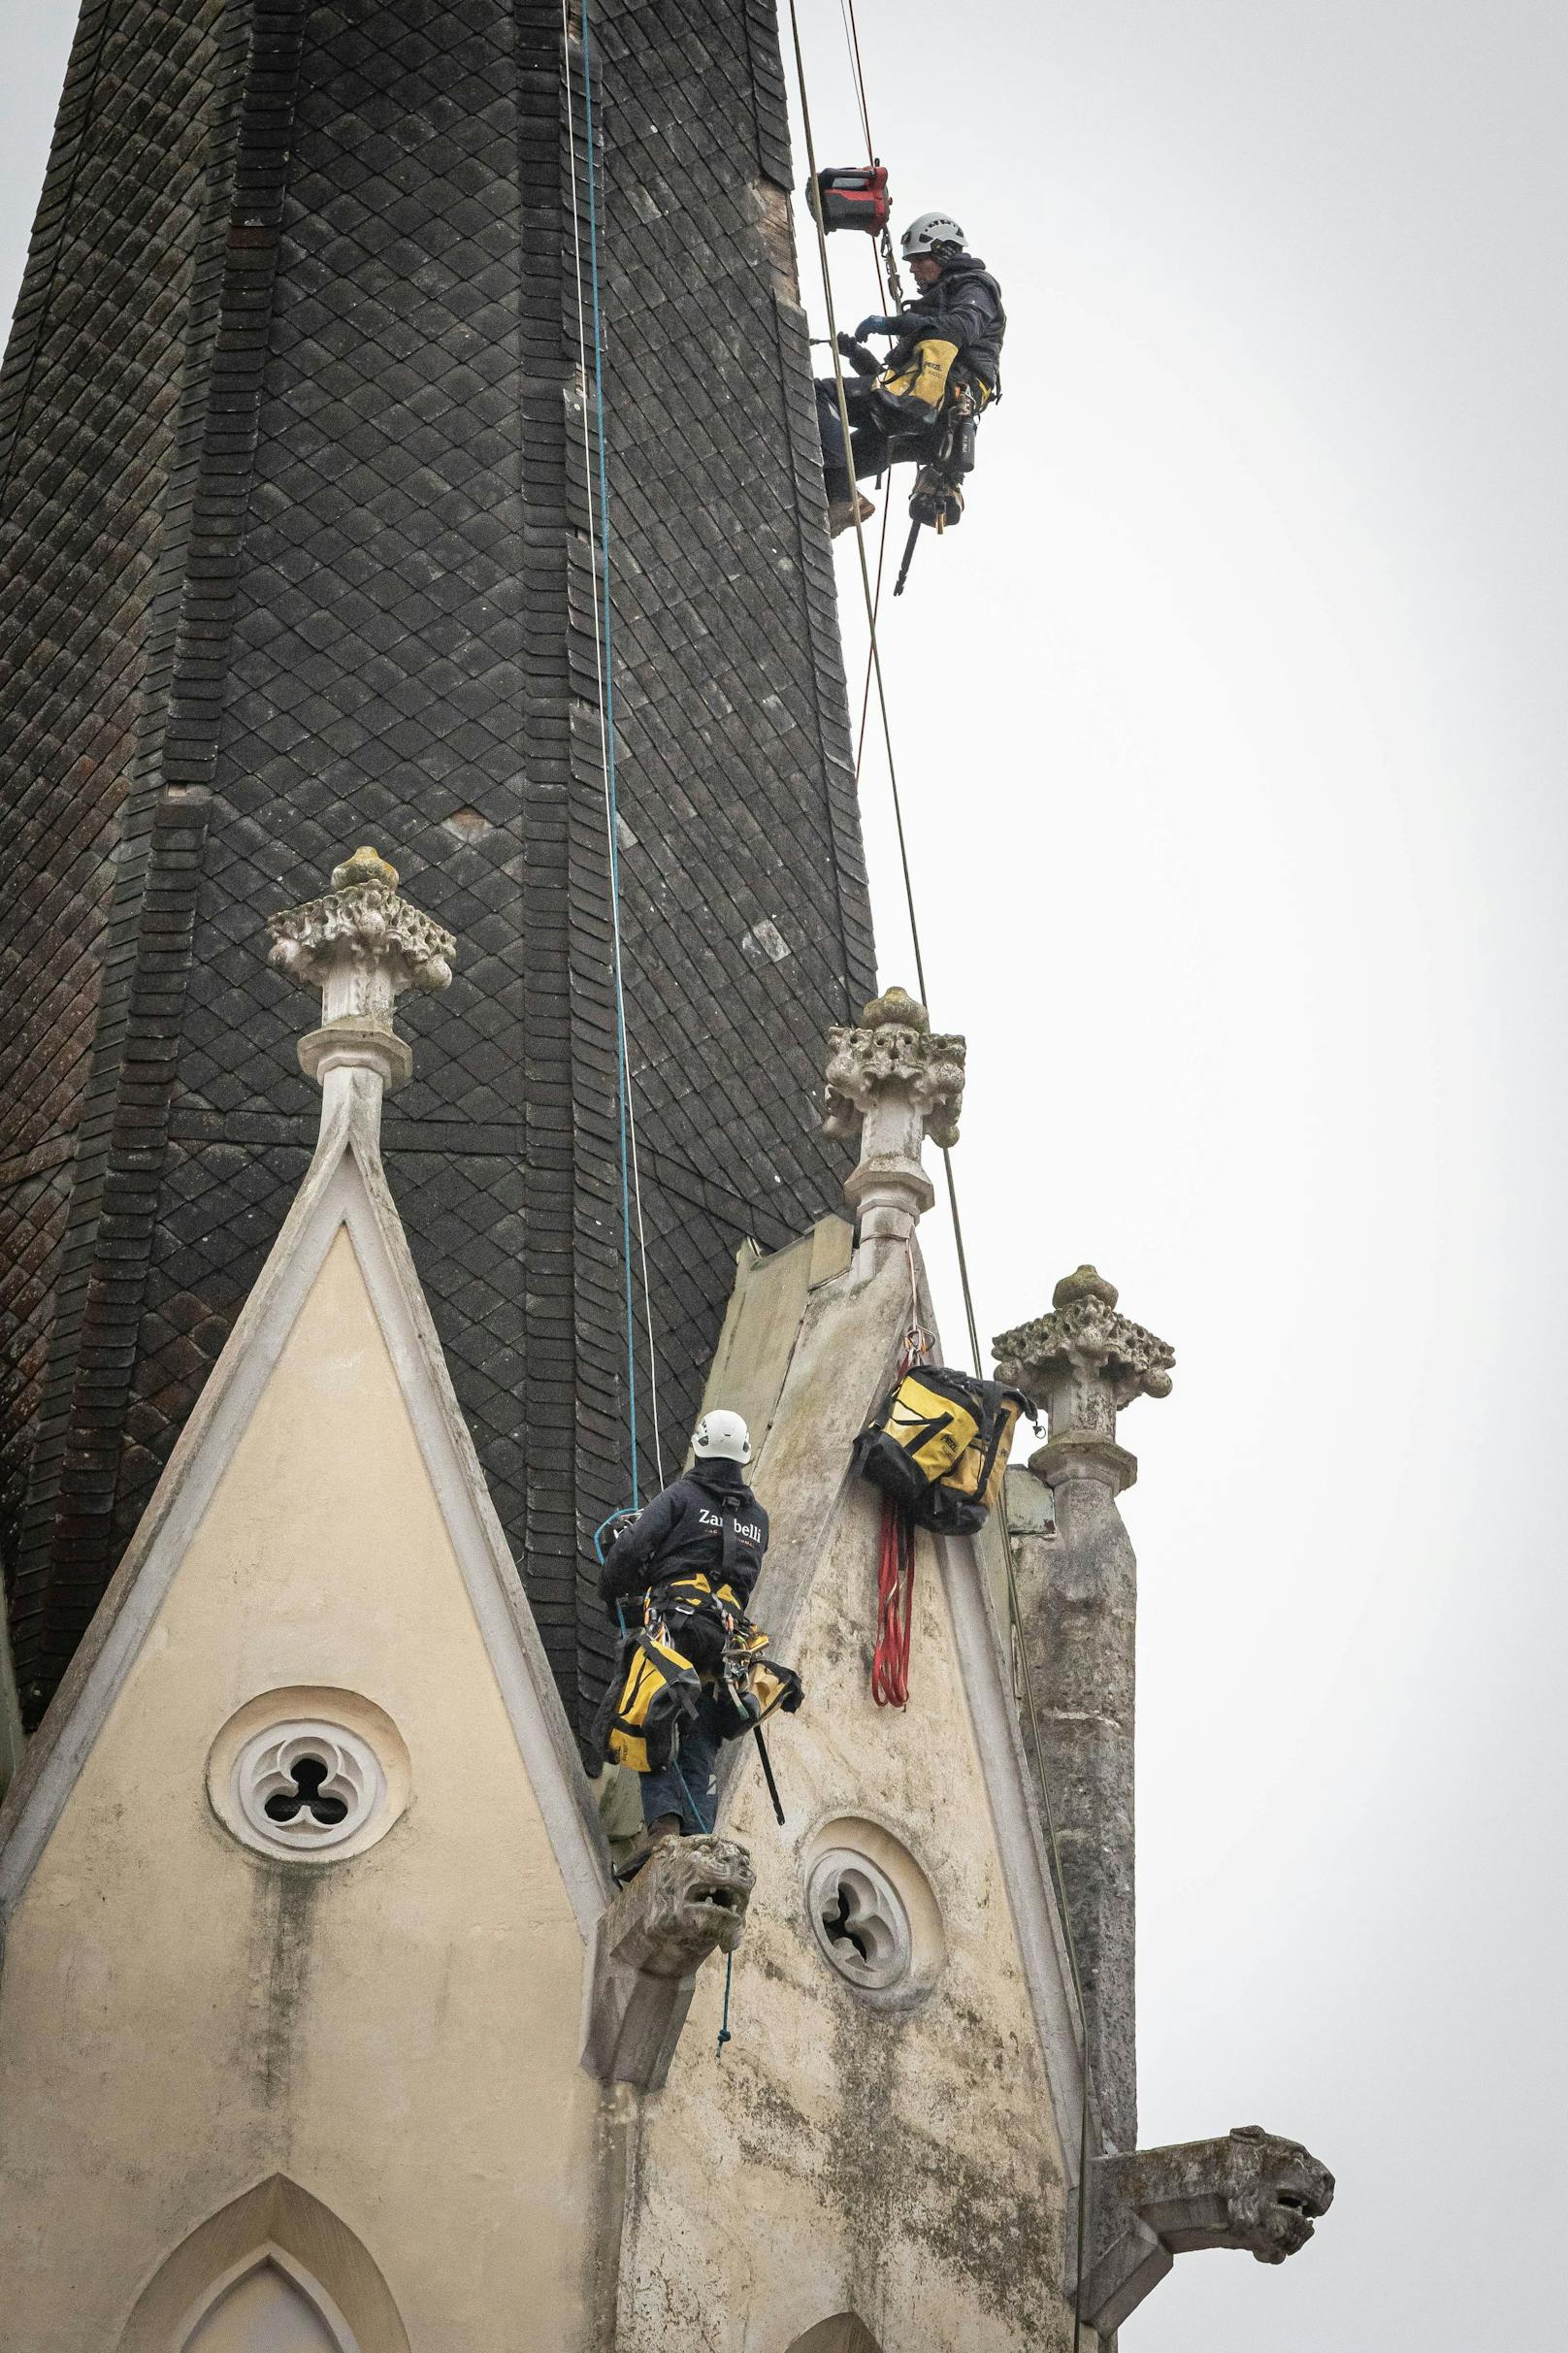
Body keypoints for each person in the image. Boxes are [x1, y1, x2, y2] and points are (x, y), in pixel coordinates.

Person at [598, 1408, 781, 1877]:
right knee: (700, 1735)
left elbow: (633, 1549)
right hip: (724, 1644)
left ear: (700, 1447)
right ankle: (699, 1843)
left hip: (674, 1628)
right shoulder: (757, 1518)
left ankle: (662, 1830)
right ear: (742, 1455)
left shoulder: (682, 1495)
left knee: (651, 1715)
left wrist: (612, 1591)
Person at [816, 211, 1006, 537]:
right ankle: (840, 500)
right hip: (920, 417)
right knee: (823, 476)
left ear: (944, 253)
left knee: (818, 393)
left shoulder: (974, 288)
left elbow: (960, 329)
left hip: (934, 405)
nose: (913, 269)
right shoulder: (936, 312)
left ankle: (844, 499)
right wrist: (856, 354)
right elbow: (893, 385)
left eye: (919, 260)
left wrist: (889, 324)